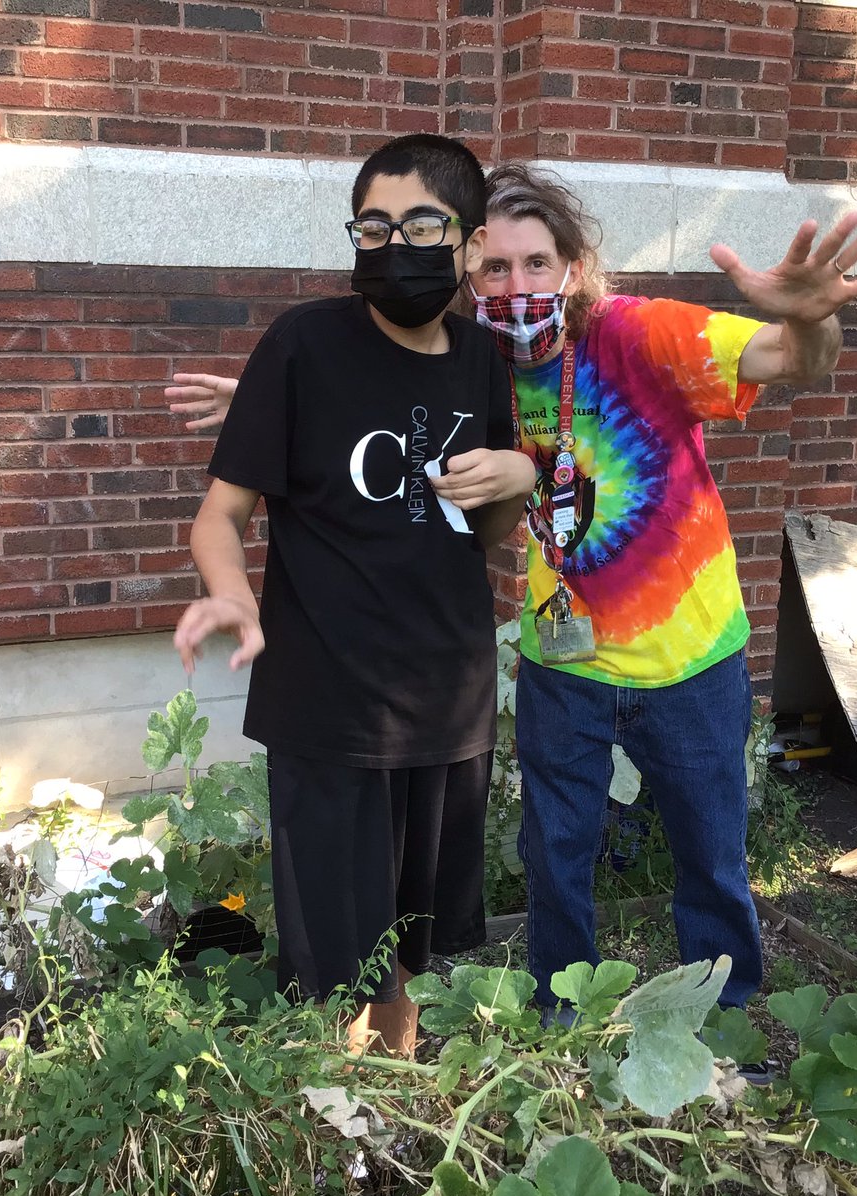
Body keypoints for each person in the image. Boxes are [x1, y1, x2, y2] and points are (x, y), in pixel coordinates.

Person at [168, 162, 857, 1048]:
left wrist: (807, 317)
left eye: (537, 263)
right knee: (554, 863)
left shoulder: (641, 336)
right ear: (473, 273)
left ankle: (730, 1025)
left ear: (575, 266)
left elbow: (788, 361)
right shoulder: (485, 368)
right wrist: (262, 403)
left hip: (689, 661)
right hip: (564, 668)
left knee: (711, 861)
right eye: (497, 270)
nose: (517, 287)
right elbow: (375, 405)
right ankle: (560, 1023)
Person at [170, 134, 535, 1057]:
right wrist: (234, 598)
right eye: (372, 225)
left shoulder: (480, 363)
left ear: (467, 240)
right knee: (334, 956)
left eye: (419, 223)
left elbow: (484, 537)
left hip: (447, 698)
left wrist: (515, 482)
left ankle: (396, 1102)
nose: (391, 244)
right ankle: (331, 1108)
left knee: (412, 945)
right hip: (327, 699)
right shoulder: (302, 345)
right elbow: (219, 518)